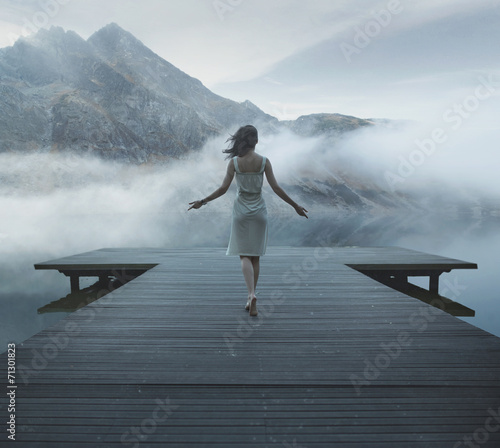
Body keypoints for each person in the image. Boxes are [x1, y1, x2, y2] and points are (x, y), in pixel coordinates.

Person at [188, 125, 308, 316]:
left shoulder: (234, 162)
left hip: (241, 211)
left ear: (241, 141)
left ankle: (251, 294)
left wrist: (202, 201)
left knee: (244, 254)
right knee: (255, 256)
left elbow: (223, 189)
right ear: (257, 141)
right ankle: (250, 296)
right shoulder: (264, 162)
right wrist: (295, 206)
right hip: (259, 211)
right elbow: (276, 188)